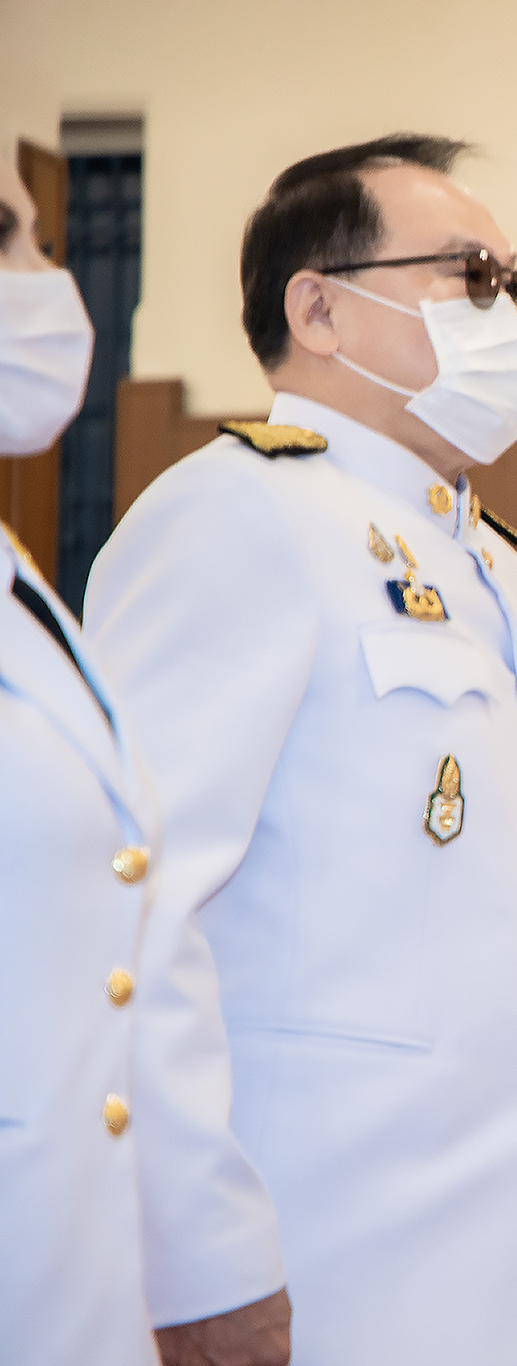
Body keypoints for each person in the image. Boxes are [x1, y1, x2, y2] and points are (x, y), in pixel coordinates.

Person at [85, 134, 517, 1365]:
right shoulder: (234, 512)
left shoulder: (497, 566)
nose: (502, 314)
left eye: (513, 286)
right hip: (327, 1249)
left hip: (514, 1256)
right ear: (317, 309)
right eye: (468, 276)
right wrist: (197, 1254)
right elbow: (132, 908)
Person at [0, 146, 290, 1366]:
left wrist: (206, 1260)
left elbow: (123, 922)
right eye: (4, 237)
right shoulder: (229, 515)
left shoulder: (24, 591)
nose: (44, 277)